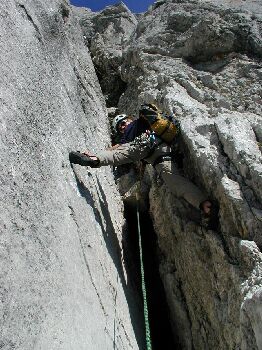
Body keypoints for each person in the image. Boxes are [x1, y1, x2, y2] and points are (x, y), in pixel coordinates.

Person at [69, 109, 218, 229]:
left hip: (147, 145)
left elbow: (118, 150)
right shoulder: (132, 131)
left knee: (123, 152)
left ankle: (93, 160)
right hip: (159, 153)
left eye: (123, 122)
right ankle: (205, 206)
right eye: (119, 126)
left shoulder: (135, 126)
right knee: (173, 181)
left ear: (129, 119)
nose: (123, 126)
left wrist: (99, 154)